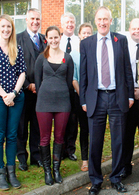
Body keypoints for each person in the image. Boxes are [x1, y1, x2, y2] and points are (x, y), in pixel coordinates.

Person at [79, 6, 134, 195]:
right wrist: (84, 100)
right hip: (96, 98)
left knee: (118, 140)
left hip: (118, 97)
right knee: (95, 141)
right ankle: (95, 180)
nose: (102, 22)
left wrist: (130, 95)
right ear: (95, 21)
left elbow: (127, 69)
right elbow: (83, 74)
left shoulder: (121, 40)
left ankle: (116, 177)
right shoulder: (87, 43)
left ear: (111, 21)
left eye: (106, 19)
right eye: (99, 19)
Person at [0, 14, 26, 190]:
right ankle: (0, 173)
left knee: (11, 136)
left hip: (16, 98)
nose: (6, 30)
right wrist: (4, 95)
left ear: (12, 29)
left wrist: (14, 93)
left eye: (9, 27)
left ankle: (11, 172)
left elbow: (22, 73)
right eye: (3, 26)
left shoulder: (17, 47)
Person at [35, 26, 74, 186]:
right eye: (50, 38)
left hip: (63, 102)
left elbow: (69, 81)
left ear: (60, 37)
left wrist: (61, 93)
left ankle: (56, 169)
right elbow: (38, 83)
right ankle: (47, 172)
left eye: (56, 37)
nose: (53, 40)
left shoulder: (67, 58)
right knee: (45, 138)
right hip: (44, 102)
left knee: (59, 137)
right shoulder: (41, 58)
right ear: (46, 39)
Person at [17, 8, 47, 171]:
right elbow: (13, 65)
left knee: (37, 126)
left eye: (37, 19)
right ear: (26, 20)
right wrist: (28, 84)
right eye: (32, 19)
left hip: (41, 92)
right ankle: (22, 158)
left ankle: (36, 157)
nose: (35, 21)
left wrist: (40, 84)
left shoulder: (44, 40)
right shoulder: (18, 39)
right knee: (21, 126)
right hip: (23, 91)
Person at [120, 18, 139, 179]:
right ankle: (126, 166)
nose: (136, 31)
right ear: (129, 30)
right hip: (129, 97)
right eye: (133, 28)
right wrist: (131, 92)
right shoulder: (124, 47)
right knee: (127, 133)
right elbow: (121, 72)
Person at [71, 23, 93, 172]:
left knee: (96, 129)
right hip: (81, 98)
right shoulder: (73, 55)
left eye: (89, 33)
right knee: (84, 129)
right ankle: (85, 159)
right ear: (79, 35)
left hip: (97, 98)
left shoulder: (96, 52)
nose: (86, 35)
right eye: (83, 33)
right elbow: (74, 79)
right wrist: (83, 97)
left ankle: (94, 158)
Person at [60, 12, 81, 161]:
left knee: (73, 120)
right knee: (61, 119)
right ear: (62, 24)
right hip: (60, 87)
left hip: (74, 88)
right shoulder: (56, 40)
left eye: (72, 22)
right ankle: (60, 150)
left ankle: (70, 149)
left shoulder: (79, 41)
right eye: (67, 22)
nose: (70, 25)